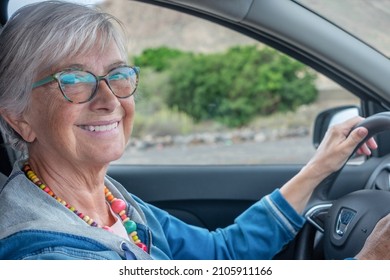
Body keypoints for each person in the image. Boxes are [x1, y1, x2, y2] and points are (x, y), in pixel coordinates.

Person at [0, 1, 381, 260]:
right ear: (20, 118)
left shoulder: (109, 199)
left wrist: (320, 167)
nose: (108, 99)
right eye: (75, 79)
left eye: (117, 74)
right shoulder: (46, 252)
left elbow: (220, 255)